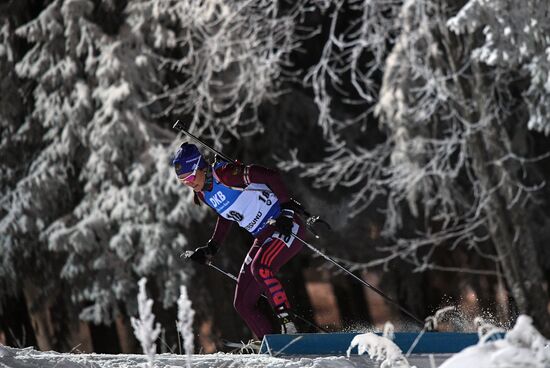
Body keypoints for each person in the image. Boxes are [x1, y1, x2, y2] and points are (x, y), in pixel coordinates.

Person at [173, 143, 306, 339]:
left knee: (261, 267)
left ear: (201, 167)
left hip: (285, 226)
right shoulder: (202, 192)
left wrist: (286, 211)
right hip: (262, 237)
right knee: (242, 303)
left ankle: (290, 328)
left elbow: (271, 176)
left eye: (191, 177)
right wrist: (212, 247)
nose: (190, 183)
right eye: (183, 181)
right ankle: (272, 347)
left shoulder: (227, 175)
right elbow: (226, 214)